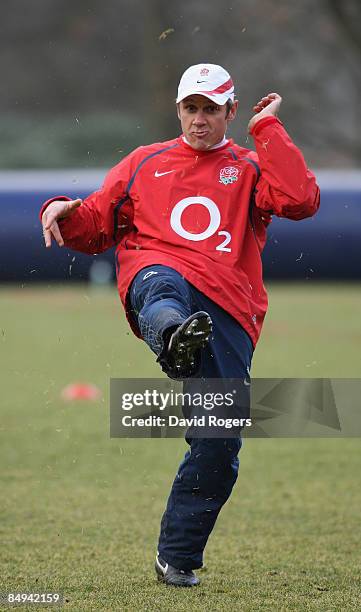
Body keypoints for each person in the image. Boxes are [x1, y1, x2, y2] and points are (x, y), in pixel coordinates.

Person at [40, 63, 320, 587]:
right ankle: (172, 338)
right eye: (191, 108)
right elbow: (97, 222)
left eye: (211, 109)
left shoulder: (251, 166)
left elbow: (301, 200)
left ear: (231, 112)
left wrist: (269, 130)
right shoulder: (143, 163)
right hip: (161, 276)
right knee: (160, 285)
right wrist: (61, 209)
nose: (199, 120)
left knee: (218, 443)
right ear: (178, 110)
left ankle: (178, 558)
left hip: (228, 309)